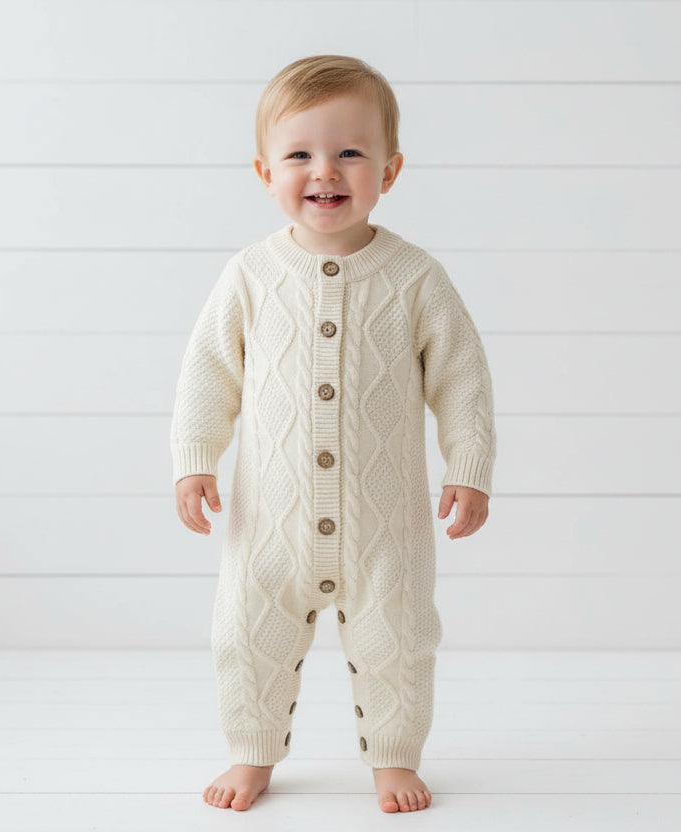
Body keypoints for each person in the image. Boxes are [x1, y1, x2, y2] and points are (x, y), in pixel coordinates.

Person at [171, 54, 497, 813]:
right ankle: (251, 752)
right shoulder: (250, 274)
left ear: (391, 170)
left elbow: (463, 380)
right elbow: (207, 373)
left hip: (386, 525)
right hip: (268, 522)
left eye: (351, 150)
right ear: (265, 172)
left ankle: (394, 756)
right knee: (246, 637)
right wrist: (195, 459)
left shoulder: (415, 278)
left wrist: (469, 466)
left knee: (400, 641)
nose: (325, 170)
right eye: (300, 155)